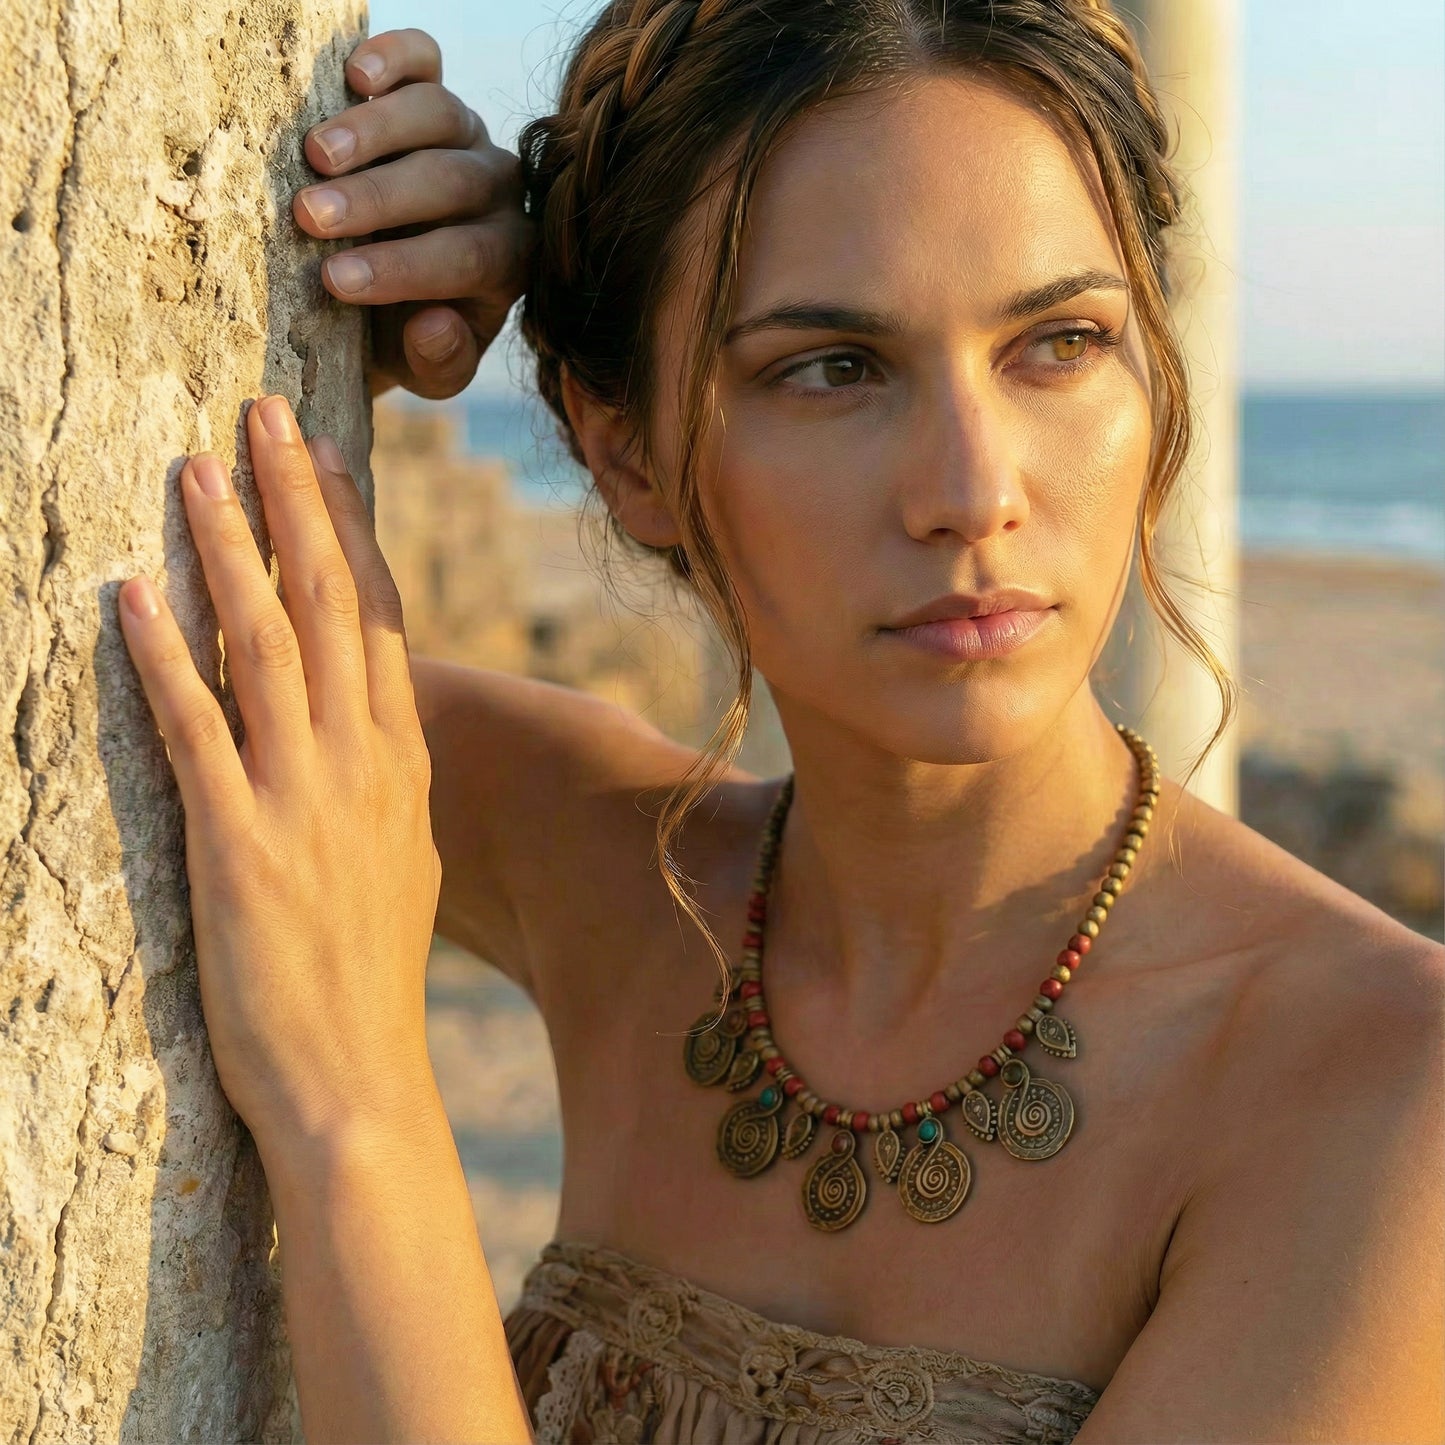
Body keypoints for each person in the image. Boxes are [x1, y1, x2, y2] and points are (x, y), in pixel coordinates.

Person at [115, 3, 1445, 1442]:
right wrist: (330, 320)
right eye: (833, 367)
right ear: (625, 449)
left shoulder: (1378, 1087)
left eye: (1060, 342)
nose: (973, 490)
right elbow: (183, 665)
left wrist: (353, 1106)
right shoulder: (614, 875)